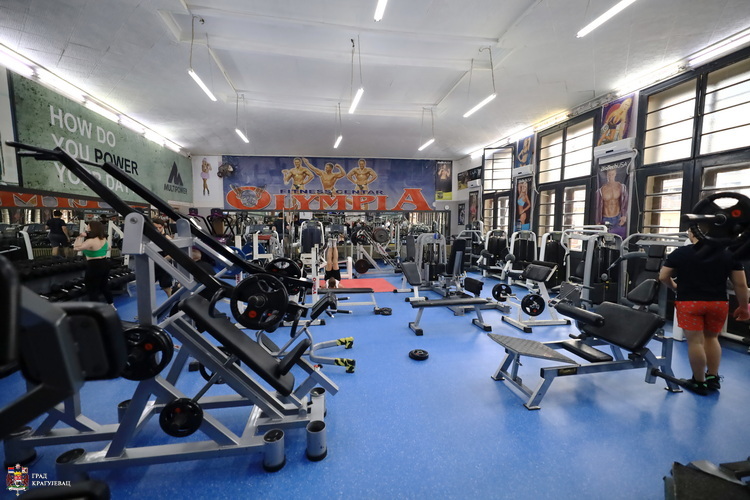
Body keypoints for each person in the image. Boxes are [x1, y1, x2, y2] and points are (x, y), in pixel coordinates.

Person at [658, 226, 750, 395]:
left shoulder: (681, 253)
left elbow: (663, 276)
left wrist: (674, 287)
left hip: (689, 303)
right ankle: (713, 378)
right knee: (712, 338)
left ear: (692, 233)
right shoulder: (728, 253)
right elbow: (741, 284)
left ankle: (699, 382)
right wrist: (744, 306)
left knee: (696, 342)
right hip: (718, 303)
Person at [73, 220, 114, 307]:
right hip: (105, 263)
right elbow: (109, 248)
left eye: (88, 226)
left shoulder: (90, 241)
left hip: (94, 265)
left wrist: (79, 237)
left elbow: (76, 248)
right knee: (104, 286)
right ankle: (111, 305)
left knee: (91, 288)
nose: (87, 227)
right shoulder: (104, 239)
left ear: (92, 228)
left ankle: (97, 309)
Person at [595, 168, 628, 238]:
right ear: (606, 175)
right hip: (605, 218)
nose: (610, 176)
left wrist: (624, 215)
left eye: (612, 174)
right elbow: (598, 206)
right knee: (603, 240)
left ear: (615, 174)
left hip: (617, 218)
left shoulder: (621, 187)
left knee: (619, 239)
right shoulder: (601, 190)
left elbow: (625, 202)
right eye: (609, 175)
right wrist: (598, 220)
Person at [152, 218, 173, 297]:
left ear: (163, 227)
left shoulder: (167, 238)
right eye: (156, 228)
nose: (158, 229)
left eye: (160, 227)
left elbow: (174, 253)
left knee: (166, 288)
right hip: (153, 264)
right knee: (147, 285)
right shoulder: (151, 238)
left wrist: (163, 260)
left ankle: (173, 302)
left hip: (164, 265)